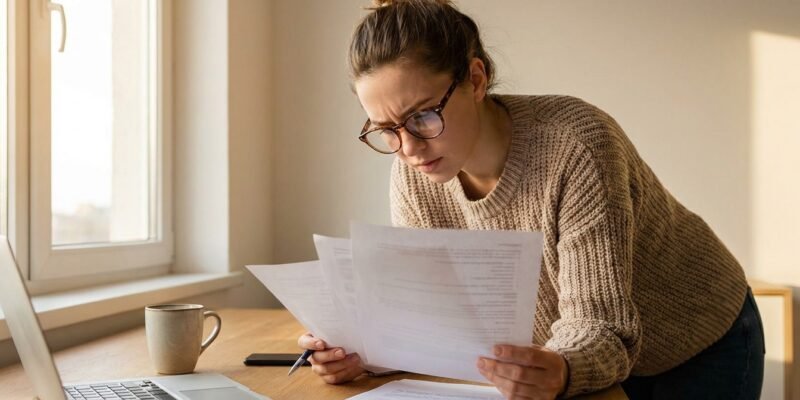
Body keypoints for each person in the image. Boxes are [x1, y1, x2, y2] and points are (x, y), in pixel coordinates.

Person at [297, 0, 765, 398]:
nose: (408, 148)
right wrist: (368, 353)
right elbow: (438, 318)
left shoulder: (575, 145)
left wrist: (560, 369)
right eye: (386, 129)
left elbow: (600, 325)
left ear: (476, 80)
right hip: (566, 364)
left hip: (699, 343)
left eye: (421, 117)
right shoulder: (414, 172)